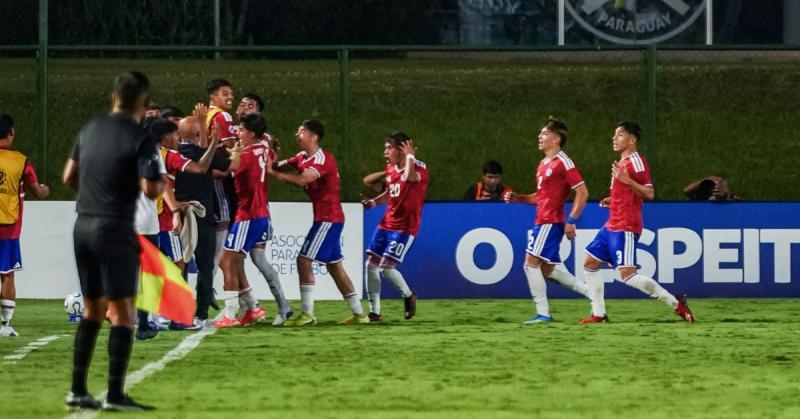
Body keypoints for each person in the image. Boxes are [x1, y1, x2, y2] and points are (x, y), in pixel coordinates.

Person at [62, 71, 160, 411]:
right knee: (123, 314)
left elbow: (68, 176)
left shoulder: (90, 129)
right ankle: (115, 394)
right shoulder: (141, 137)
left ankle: (77, 390)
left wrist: (94, 196)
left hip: (83, 225)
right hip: (114, 228)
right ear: (145, 103)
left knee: (92, 310)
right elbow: (150, 188)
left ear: (113, 96)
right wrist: (158, 185)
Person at [581, 122, 695, 324]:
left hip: (625, 226)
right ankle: (599, 314)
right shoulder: (621, 164)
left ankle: (676, 304)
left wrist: (628, 181)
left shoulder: (636, 161)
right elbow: (629, 192)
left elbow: (649, 193)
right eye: (614, 135)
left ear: (632, 140)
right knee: (589, 264)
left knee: (628, 275)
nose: (614, 138)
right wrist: (613, 199)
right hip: (611, 224)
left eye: (620, 135)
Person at [269, 119, 367, 325]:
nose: (297, 135)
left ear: (313, 137)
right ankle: (360, 314)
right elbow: (276, 166)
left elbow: (302, 180)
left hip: (328, 219)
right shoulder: (302, 157)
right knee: (335, 267)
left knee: (303, 260)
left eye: (302, 131)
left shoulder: (322, 159)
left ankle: (307, 314)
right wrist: (271, 152)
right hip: (328, 218)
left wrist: (273, 173)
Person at [504, 117, 592, 324]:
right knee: (546, 269)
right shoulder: (543, 164)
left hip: (551, 221)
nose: (539, 136)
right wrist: (519, 198)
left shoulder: (564, 162)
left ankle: (543, 313)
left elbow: (582, 192)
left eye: (544, 134)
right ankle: (592, 293)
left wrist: (572, 220)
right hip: (542, 220)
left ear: (557, 139)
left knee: (530, 263)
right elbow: (540, 197)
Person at [174, 105, 240, 324]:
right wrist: (236, 148)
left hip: (178, 215)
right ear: (196, 135)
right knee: (205, 266)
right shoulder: (206, 154)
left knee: (178, 263)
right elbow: (232, 165)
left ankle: (178, 312)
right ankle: (201, 314)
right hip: (203, 216)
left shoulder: (172, 155)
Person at [213, 114, 274, 328]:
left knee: (227, 261)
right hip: (259, 214)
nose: (237, 133)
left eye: (240, 129)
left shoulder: (246, 154)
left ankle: (231, 314)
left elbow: (229, 167)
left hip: (248, 214)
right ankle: (252, 307)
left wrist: (215, 149)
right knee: (233, 261)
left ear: (251, 132)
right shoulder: (262, 147)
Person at [361, 132, 427, 322]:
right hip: (386, 224)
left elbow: (410, 177)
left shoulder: (419, 167)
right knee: (370, 264)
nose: (385, 152)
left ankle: (408, 296)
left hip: (405, 227)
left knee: (386, 268)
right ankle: (375, 312)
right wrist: (374, 202)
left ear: (401, 149)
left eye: (389, 148)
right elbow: (391, 193)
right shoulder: (390, 169)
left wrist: (410, 157)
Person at [0, 114, 50, 337]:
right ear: (11, 132)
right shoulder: (21, 161)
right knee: (7, 274)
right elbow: (38, 192)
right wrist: (45, 190)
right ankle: (5, 325)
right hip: (8, 227)